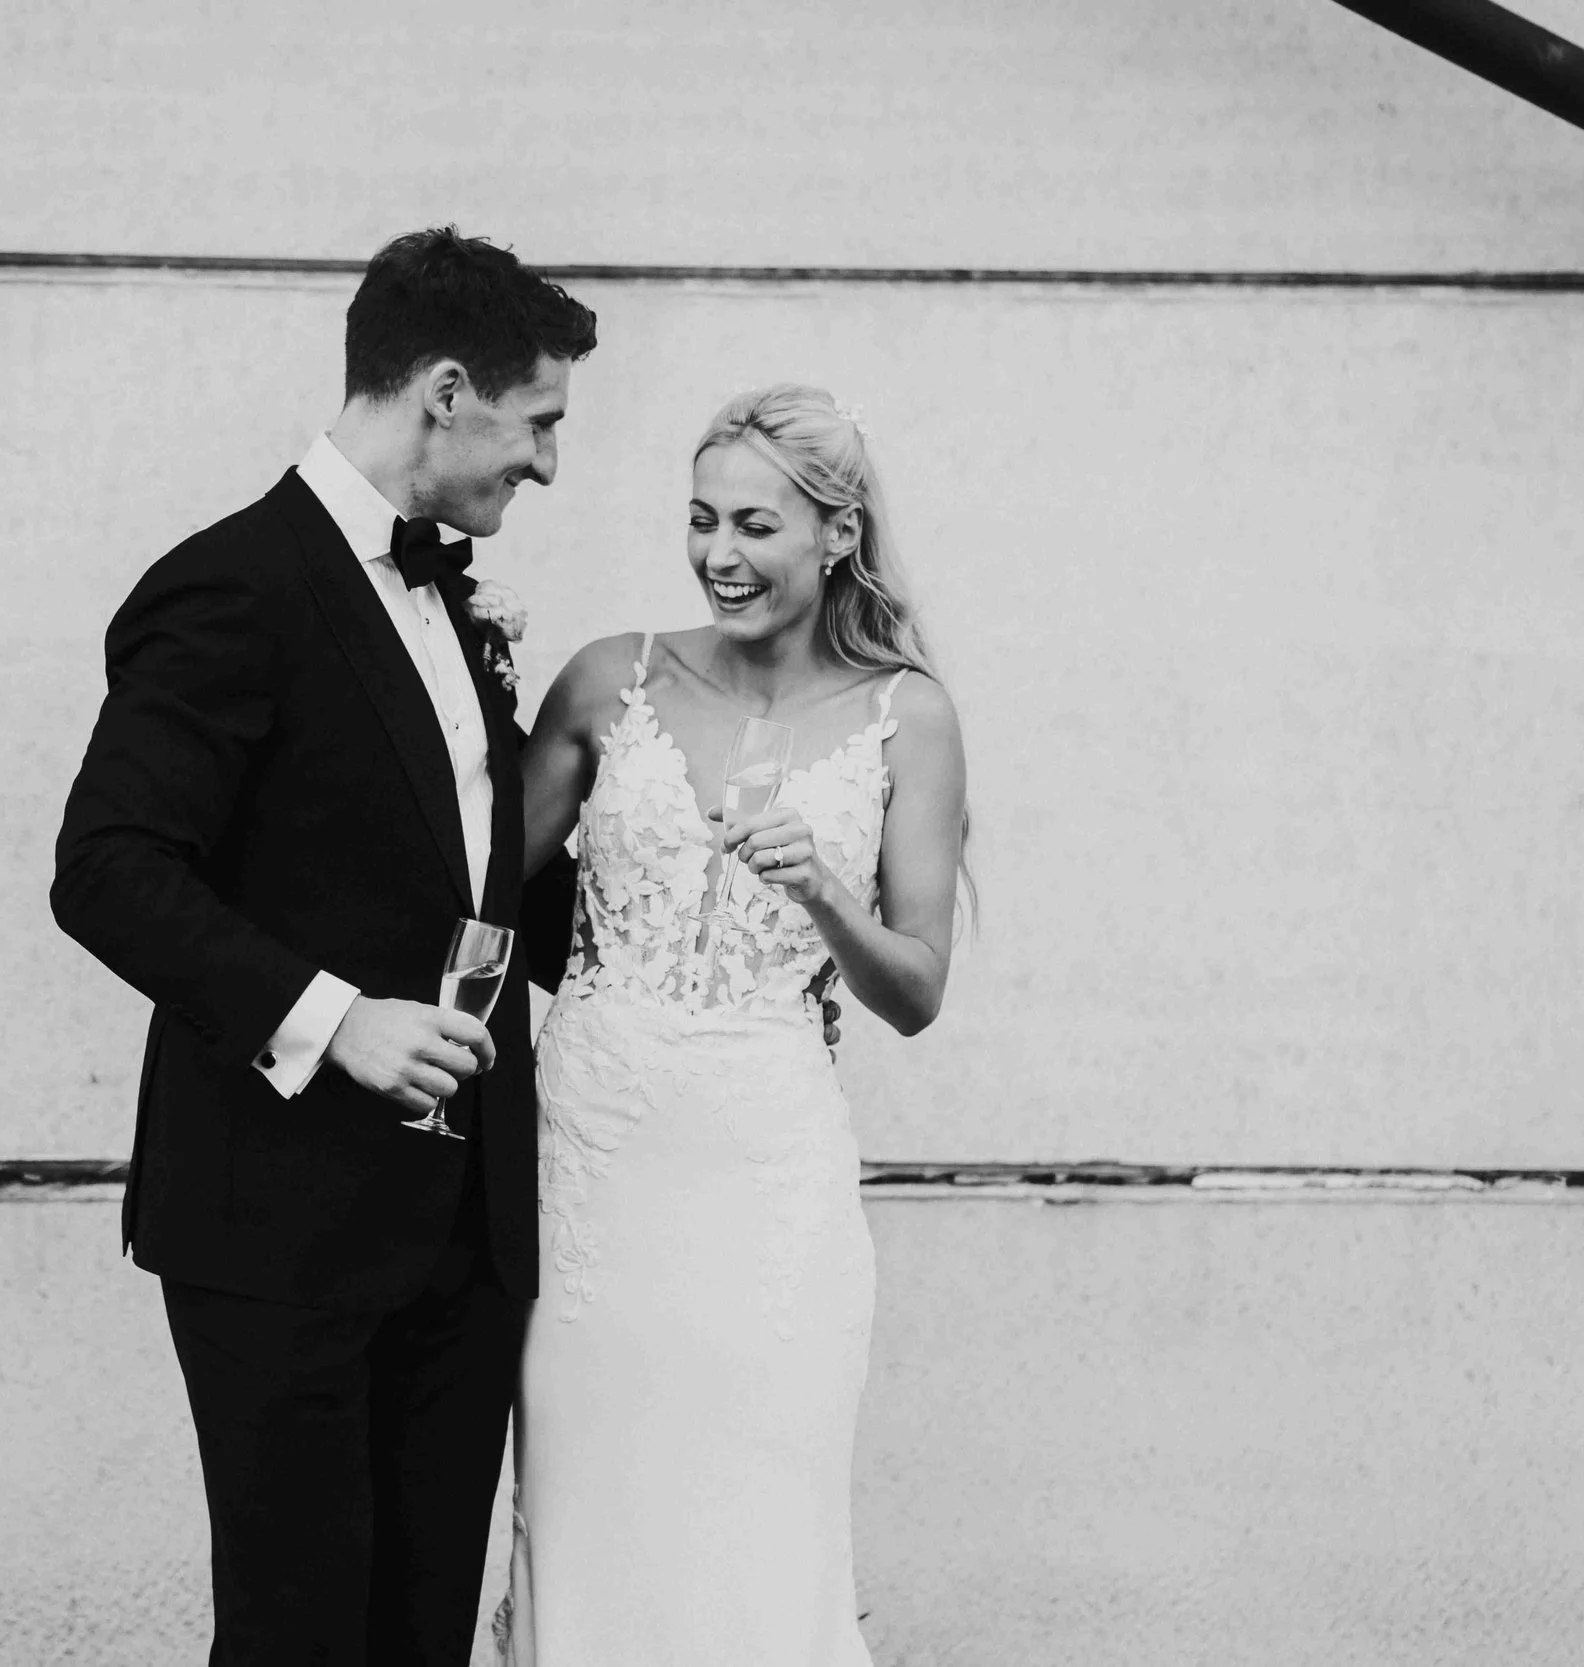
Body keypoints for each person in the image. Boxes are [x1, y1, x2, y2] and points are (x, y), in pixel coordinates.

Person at [48, 226, 596, 1667]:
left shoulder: (452, 595)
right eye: (538, 424)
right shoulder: (232, 584)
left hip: (463, 1232)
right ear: (447, 388)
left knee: (417, 1635)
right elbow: (108, 868)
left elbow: (476, 874)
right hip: (278, 1228)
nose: (544, 464)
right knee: (300, 1635)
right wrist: (332, 1015)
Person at [504, 384, 971, 1664]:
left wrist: (823, 886)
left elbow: (917, 989)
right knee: (592, 1509)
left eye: (755, 524)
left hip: (768, 1179)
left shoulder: (906, 717)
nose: (719, 553)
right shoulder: (612, 679)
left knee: (760, 1522)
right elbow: (472, 878)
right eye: (700, 519)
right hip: (593, 1166)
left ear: (834, 534)